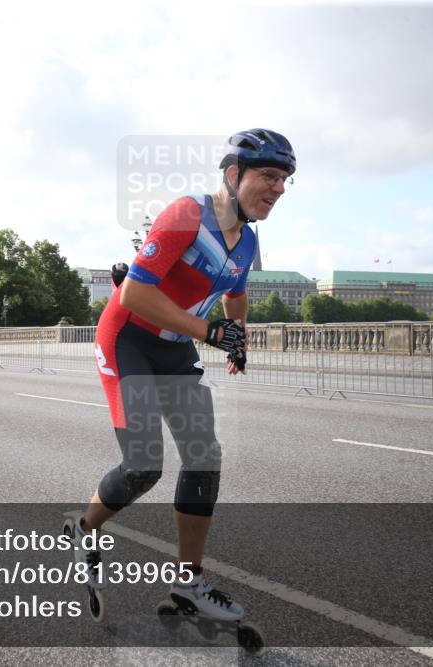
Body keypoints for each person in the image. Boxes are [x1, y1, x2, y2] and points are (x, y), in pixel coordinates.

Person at [76, 129, 296, 621]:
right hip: (128, 336)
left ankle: (189, 583)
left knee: (203, 457)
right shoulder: (186, 215)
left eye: (283, 180)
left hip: (174, 344)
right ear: (233, 174)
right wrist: (210, 332)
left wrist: (237, 335)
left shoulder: (247, 241)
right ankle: (84, 529)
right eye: (268, 176)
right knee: (143, 466)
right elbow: (133, 293)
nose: (278, 188)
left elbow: (235, 294)